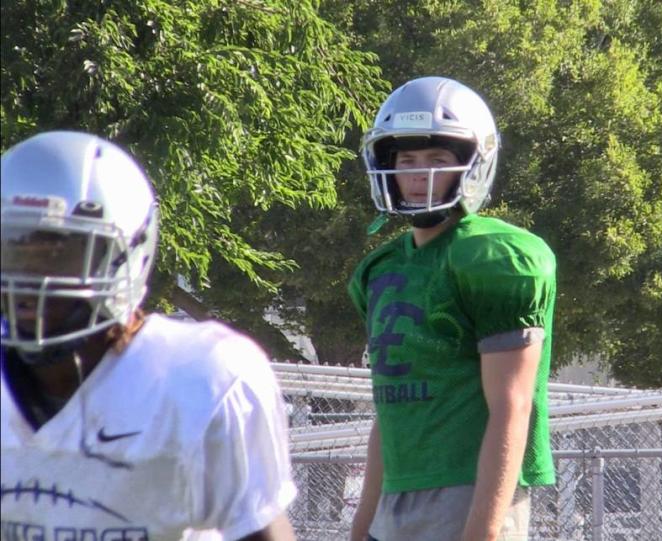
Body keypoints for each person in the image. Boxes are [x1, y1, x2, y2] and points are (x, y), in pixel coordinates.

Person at [0, 131, 297, 540]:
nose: (28, 283)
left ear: (123, 257)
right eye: (13, 253)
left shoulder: (203, 378)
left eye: (56, 254)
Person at [347, 76, 556, 541]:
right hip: (397, 497)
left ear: (472, 164)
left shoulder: (498, 258)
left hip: (469, 492)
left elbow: (512, 406)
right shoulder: (381, 269)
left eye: (438, 159)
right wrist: (362, 525)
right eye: (407, 160)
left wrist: (481, 531)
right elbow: (392, 407)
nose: (419, 174)